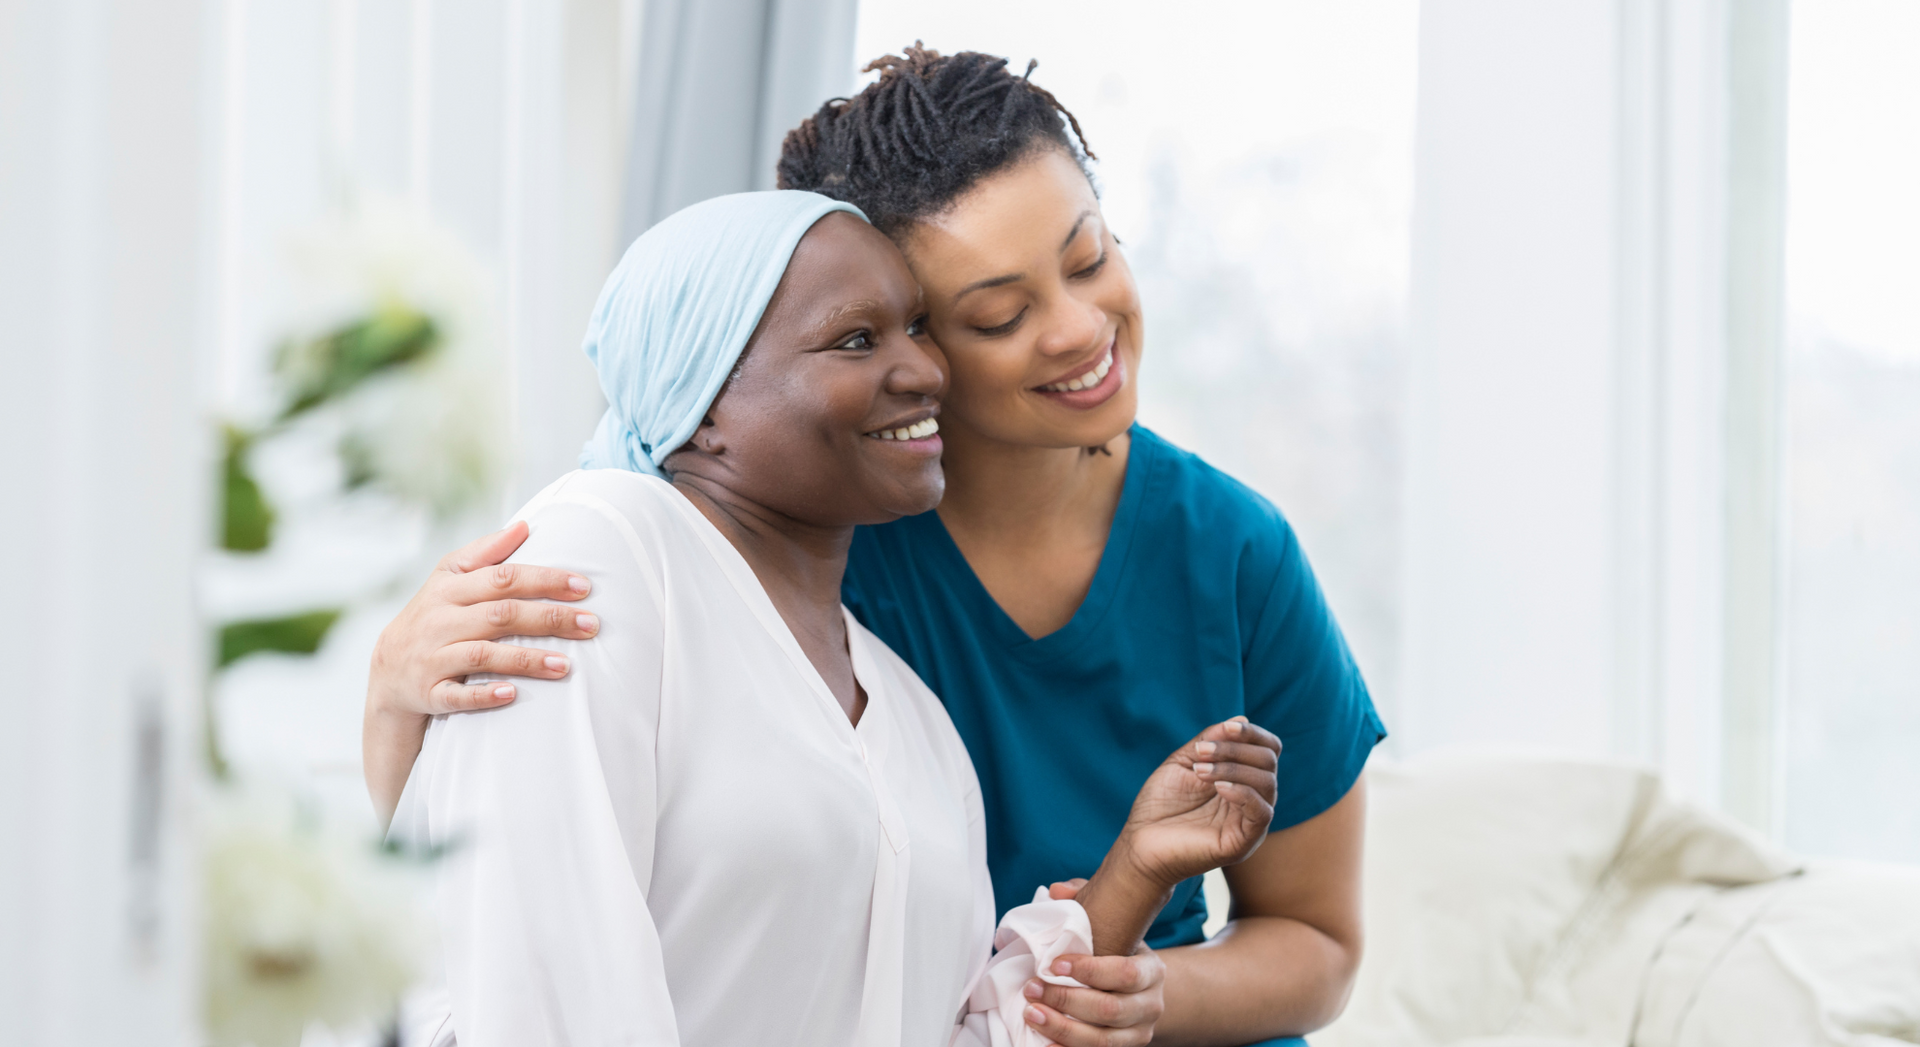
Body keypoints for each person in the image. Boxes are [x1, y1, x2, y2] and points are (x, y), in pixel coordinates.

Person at [367, 47, 1385, 1047]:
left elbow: (1317, 939)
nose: (1080, 329)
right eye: (996, 314)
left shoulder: (1230, 555)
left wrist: (1144, 986)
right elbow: (505, 872)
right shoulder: (775, 552)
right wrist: (395, 692)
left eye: (1090, 257)